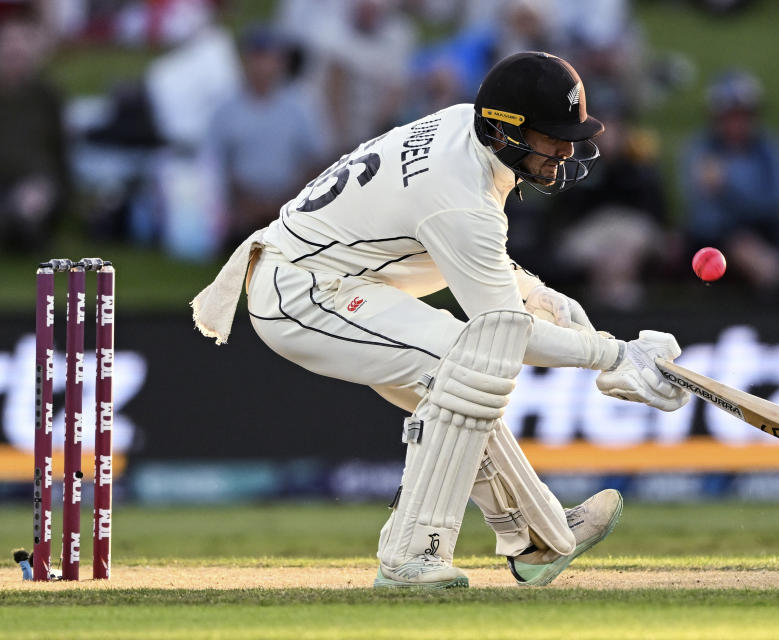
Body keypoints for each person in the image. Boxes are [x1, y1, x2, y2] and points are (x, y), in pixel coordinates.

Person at [192, 52, 690, 589]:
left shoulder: (464, 130)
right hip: (301, 291)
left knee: (462, 388)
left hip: (345, 279)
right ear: (505, 132)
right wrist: (616, 355)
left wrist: (541, 294)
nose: (565, 151)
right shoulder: (458, 197)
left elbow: (475, 259)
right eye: (553, 136)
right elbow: (504, 331)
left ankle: (536, 536)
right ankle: (411, 557)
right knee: (467, 366)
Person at [207, 25, 327, 250]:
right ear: (245, 61)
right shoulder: (225, 109)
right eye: (258, 57)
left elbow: (315, 160)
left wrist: (288, 200)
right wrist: (244, 202)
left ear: (281, 63)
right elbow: (217, 165)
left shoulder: (301, 105)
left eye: (271, 58)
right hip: (241, 206)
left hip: (291, 202)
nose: (264, 66)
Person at [678, 70, 779, 293]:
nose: (737, 123)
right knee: (749, 253)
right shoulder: (699, 150)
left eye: (744, 115)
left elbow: (777, 203)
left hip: (766, 232)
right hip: (713, 243)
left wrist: (727, 188)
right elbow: (701, 217)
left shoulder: (770, 149)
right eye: (730, 116)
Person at [0, 15, 67, 252]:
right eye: (8, 42)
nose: (15, 48)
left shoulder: (47, 96)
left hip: (35, 181)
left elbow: (61, 151)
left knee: (30, 205)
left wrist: (58, 189)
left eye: (22, 42)